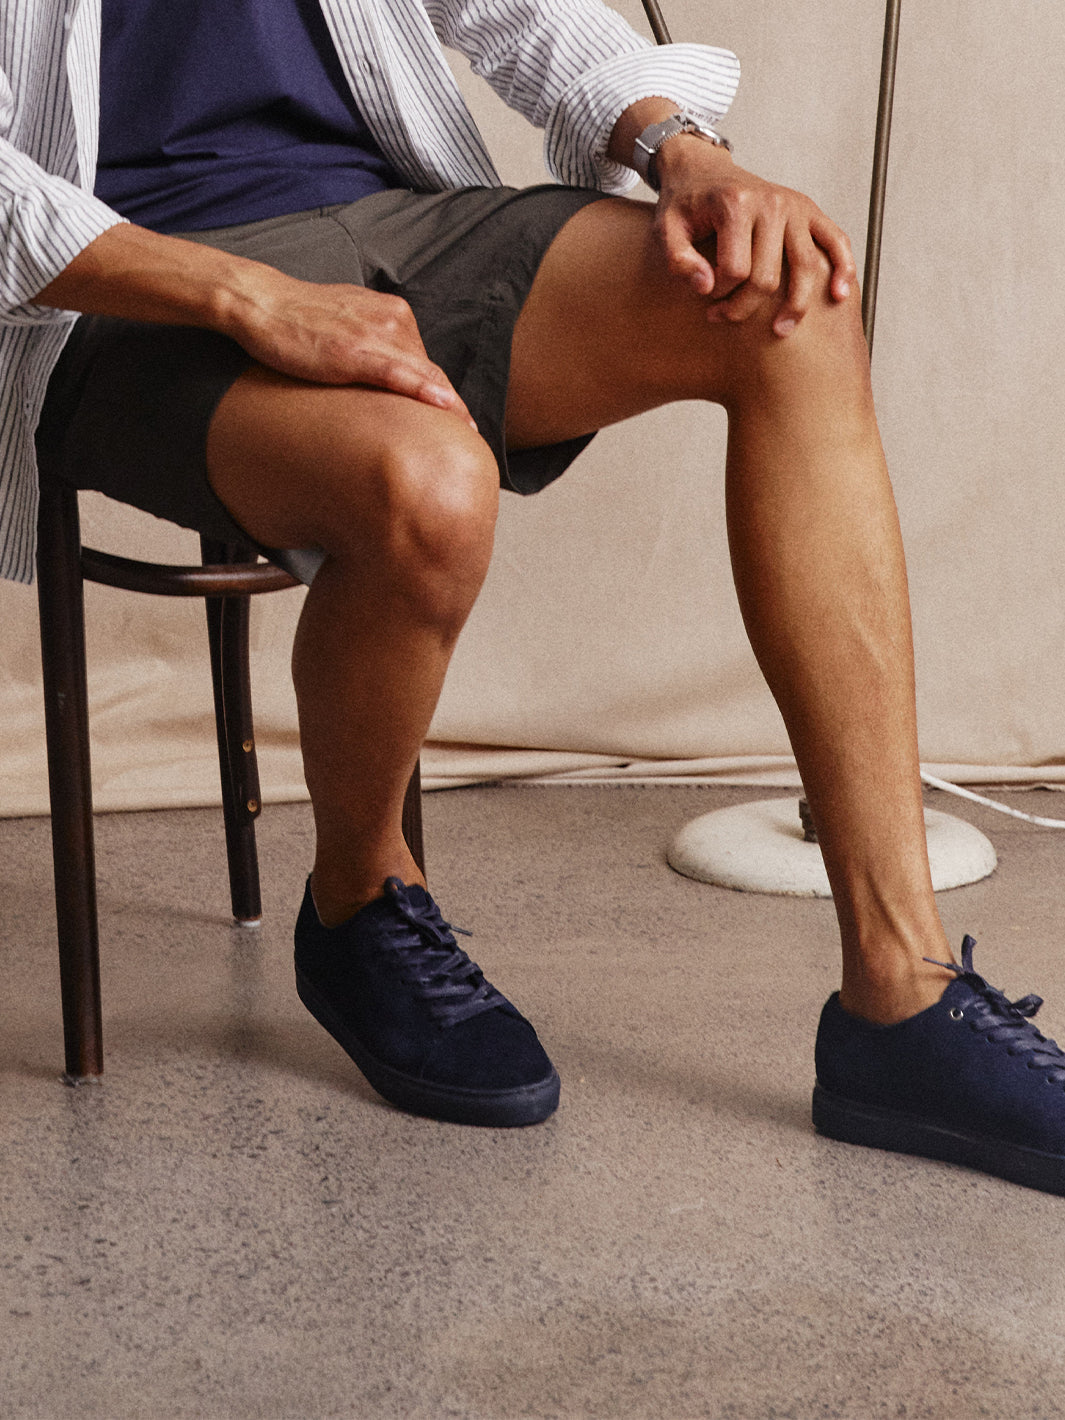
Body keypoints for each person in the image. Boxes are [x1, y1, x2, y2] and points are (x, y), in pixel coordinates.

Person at [7, 0, 1065, 1192]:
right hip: (108, 287)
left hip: (393, 216)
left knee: (788, 300)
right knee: (431, 488)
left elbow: (513, 10)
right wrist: (245, 294)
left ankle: (901, 995)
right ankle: (361, 899)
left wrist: (685, 151)